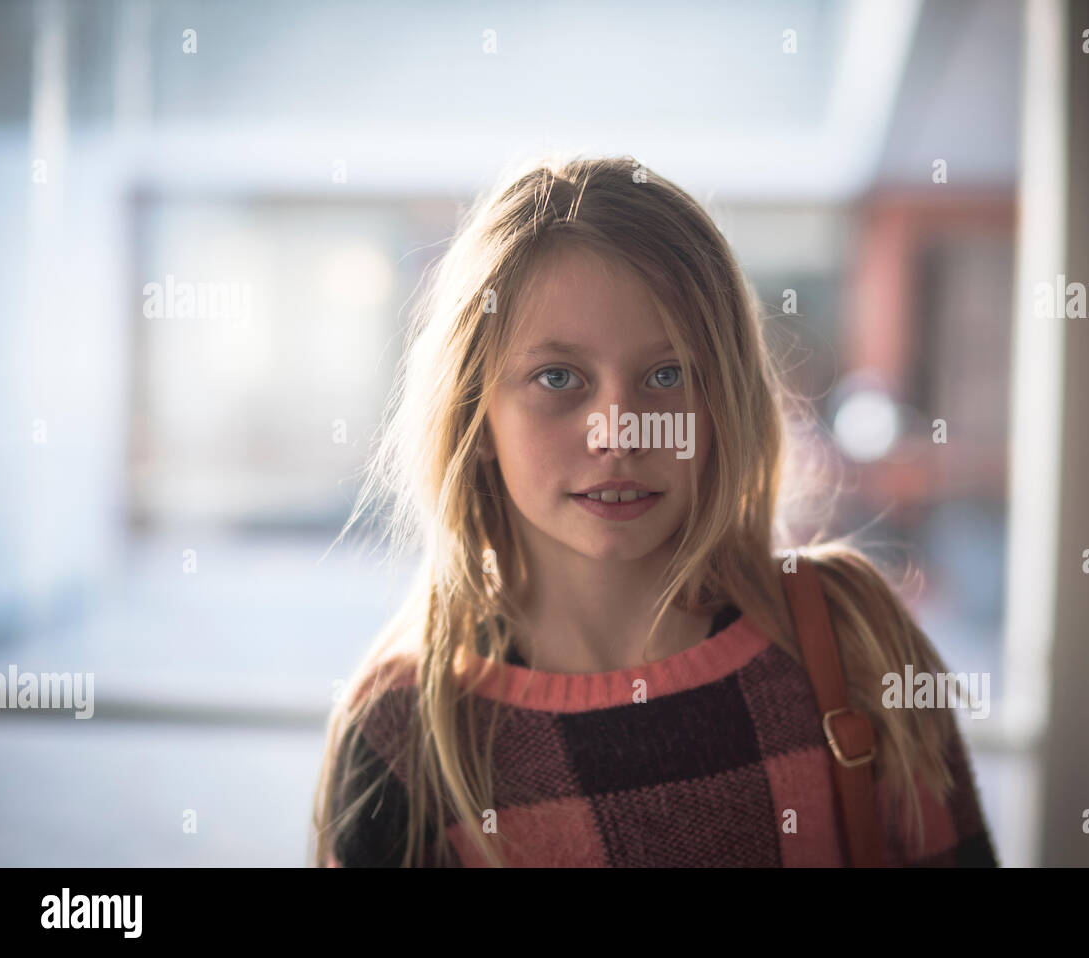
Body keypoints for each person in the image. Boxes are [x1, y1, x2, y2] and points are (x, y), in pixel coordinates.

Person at [311, 153, 998, 868]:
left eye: (666, 375)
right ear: (475, 416)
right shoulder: (403, 737)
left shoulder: (853, 641)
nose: (619, 433)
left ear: (722, 402)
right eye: (558, 378)